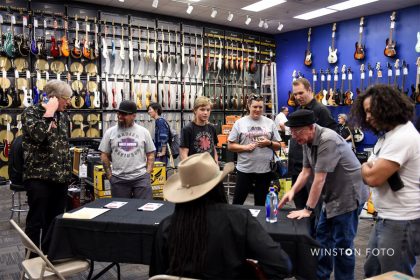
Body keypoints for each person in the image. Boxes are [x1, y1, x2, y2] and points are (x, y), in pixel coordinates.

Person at [149, 152, 292, 279]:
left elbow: (157, 275)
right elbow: (281, 265)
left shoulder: (166, 226)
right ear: (218, 186)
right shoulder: (240, 219)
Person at [279, 109, 369, 280]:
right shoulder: (305, 141)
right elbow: (306, 172)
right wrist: (291, 191)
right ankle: (321, 277)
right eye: (292, 132)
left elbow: (319, 179)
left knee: (342, 245)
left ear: (311, 127)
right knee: (322, 241)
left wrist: (307, 209)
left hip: (348, 196)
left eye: (298, 132)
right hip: (330, 197)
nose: (295, 137)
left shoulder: (328, 140)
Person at [350, 84, 420, 277]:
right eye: (365, 112)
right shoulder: (386, 137)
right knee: (372, 270)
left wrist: (364, 168)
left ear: (387, 107)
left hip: (402, 220)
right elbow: (371, 172)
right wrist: (367, 169)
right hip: (385, 217)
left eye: (371, 111)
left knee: (394, 275)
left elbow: (372, 177)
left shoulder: (403, 136)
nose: (368, 117)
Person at [21, 80, 72, 247]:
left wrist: (67, 174)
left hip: (60, 179)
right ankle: (33, 261)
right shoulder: (31, 113)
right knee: (36, 222)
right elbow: (38, 135)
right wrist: (48, 113)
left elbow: (63, 146)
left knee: (55, 221)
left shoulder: (63, 116)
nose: (69, 102)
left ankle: (50, 258)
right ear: (54, 98)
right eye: (66, 98)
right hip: (38, 178)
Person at [288, 78, 337, 225]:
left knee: (313, 212)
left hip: (313, 170)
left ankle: (314, 243)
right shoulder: (299, 110)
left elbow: (332, 137)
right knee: (299, 210)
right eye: (295, 94)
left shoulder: (321, 110)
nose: (297, 97)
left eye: (301, 93)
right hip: (298, 167)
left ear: (310, 90)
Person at [228, 94, 281, 206]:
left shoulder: (270, 123)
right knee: (238, 203)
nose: (257, 110)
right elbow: (230, 146)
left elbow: (279, 145)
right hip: (245, 170)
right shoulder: (239, 123)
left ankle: (258, 224)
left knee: (261, 204)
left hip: (265, 171)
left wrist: (269, 143)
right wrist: (245, 147)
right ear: (249, 106)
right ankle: (235, 223)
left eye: (260, 107)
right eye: (255, 107)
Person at [99, 100, 155, 199]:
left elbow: (150, 154)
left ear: (134, 116)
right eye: (119, 113)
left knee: (145, 210)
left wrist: (147, 174)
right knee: (120, 212)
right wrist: (110, 176)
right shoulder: (109, 133)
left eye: (124, 114)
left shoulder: (144, 132)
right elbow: (104, 155)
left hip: (141, 179)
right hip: (118, 180)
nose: (120, 116)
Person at [179, 96, 218, 162]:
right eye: (202, 109)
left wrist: (216, 165)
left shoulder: (212, 128)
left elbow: (214, 149)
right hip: (194, 169)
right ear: (195, 110)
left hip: (210, 168)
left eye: (208, 110)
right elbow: (183, 154)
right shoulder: (187, 129)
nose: (206, 113)